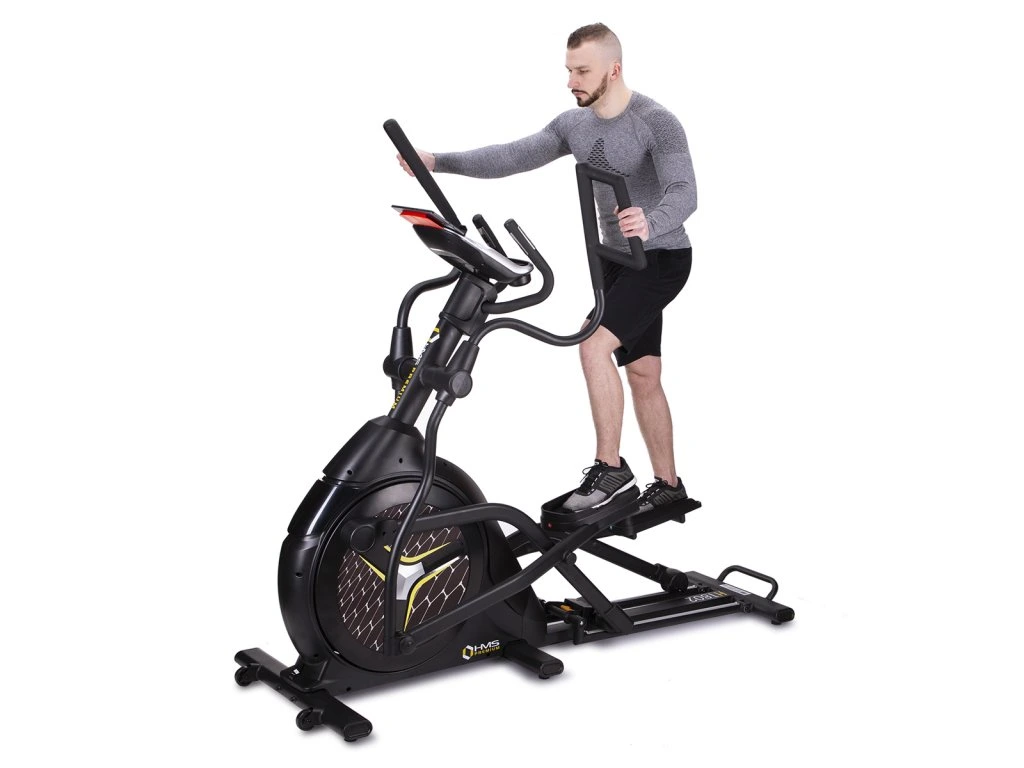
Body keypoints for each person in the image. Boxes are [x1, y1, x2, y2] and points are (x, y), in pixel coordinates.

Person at [398, 22, 697, 516]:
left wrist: (651, 220)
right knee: (643, 371)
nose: (571, 81)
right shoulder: (573, 125)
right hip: (617, 261)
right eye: (569, 70)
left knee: (593, 344)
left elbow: (685, 191)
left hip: (661, 258)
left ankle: (610, 469)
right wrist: (437, 161)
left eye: (582, 71)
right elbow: (513, 156)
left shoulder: (656, 122)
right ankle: (669, 486)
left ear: (614, 69)